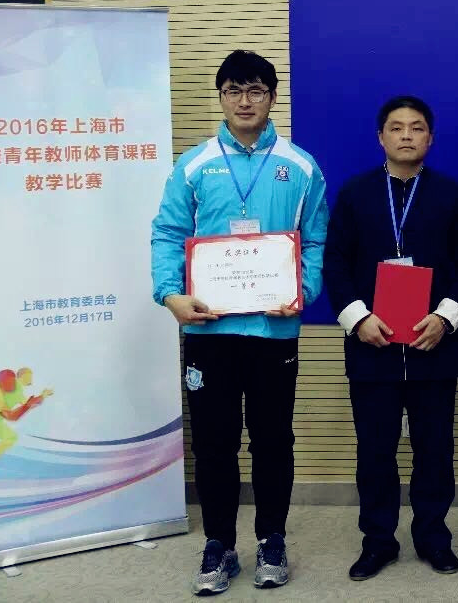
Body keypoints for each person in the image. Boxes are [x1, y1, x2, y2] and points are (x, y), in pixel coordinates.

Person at [151, 50, 328, 596]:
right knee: (214, 442)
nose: (244, 100)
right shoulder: (193, 165)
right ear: (221, 97)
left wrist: (303, 292)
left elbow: (316, 240)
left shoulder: (300, 166)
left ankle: (272, 539)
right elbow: (167, 233)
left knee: (273, 439)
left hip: (274, 331)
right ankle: (219, 544)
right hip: (209, 331)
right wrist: (170, 295)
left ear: (272, 97)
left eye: (255, 90)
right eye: (233, 90)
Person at [322, 95, 458, 581]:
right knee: (374, 452)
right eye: (396, 127)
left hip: (434, 345)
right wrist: (357, 318)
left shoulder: (452, 195)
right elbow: (335, 263)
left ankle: (433, 537)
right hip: (373, 346)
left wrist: (446, 318)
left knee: (435, 449)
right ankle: (378, 542)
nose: (406, 135)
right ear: (380, 137)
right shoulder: (355, 194)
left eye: (416, 127)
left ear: (430, 137)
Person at [0, 367, 52, 469]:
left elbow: (13, 414)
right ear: (1, 383)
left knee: (11, 438)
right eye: (8, 382)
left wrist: (39, 398)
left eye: (12, 381)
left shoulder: (5, 395)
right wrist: (28, 405)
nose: (12, 385)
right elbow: (12, 416)